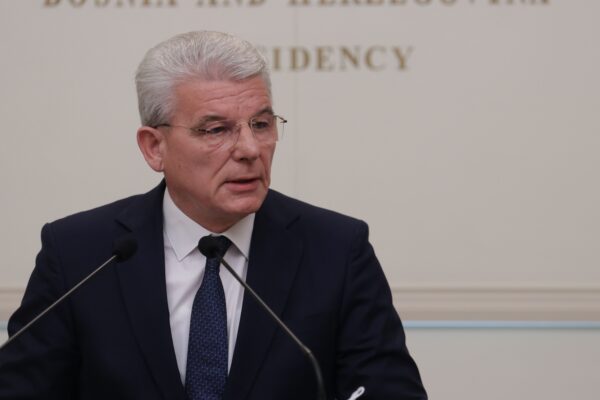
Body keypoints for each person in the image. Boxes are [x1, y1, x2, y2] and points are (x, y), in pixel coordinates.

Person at [0, 31, 427, 400]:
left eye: (261, 125)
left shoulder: (336, 250)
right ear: (154, 147)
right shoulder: (79, 254)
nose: (249, 149)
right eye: (217, 130)